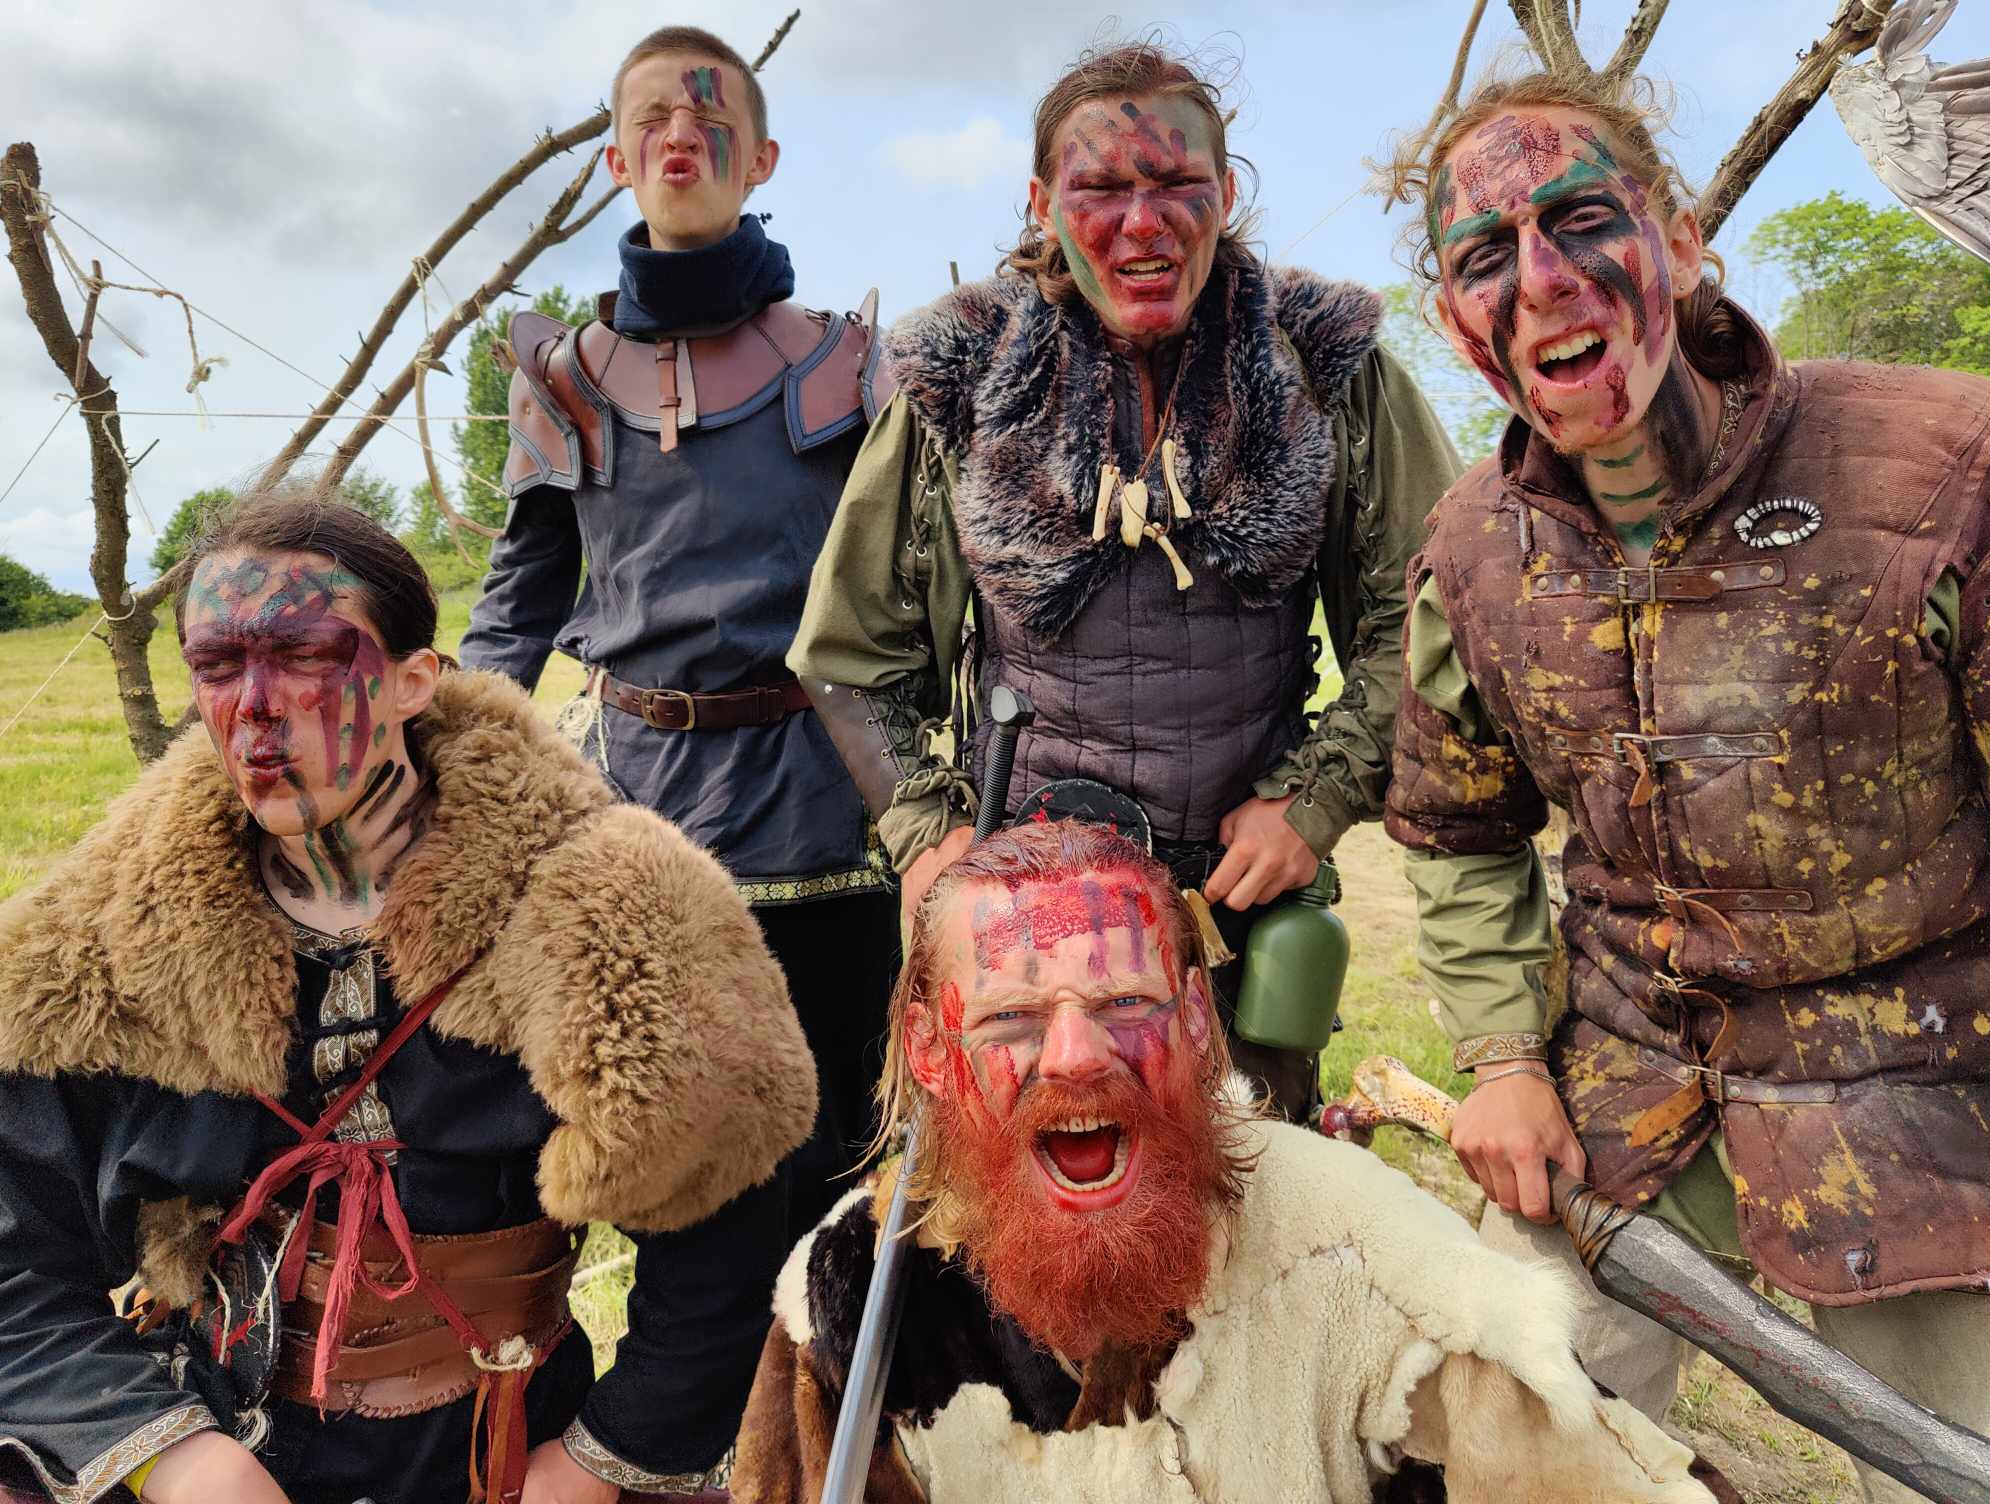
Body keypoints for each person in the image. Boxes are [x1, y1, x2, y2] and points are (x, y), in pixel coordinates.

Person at [1380, 63, 1990, 1503]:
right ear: (1454, 320)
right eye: (1484, 257)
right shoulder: (1470, 551)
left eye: (1581, 221)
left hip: (1923, 1091)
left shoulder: (1946, 467)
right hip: (1626, 1089)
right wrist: (1503, 1064)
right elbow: (1459, 832)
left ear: (1679, 236)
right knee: (1499, 1441)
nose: (1542, 280)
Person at [0, 489, 816, 1504]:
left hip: (506, 1443)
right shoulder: (105, 935)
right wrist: (179, 1459)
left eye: (305, 656)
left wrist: (598, 1458)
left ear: (412, 681)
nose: (254, 706)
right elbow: (14, 1263)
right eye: (217, 665)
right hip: (214, 1428)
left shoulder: (605, 908)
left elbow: (727, 1228)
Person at [789, 40, 1462, 1121]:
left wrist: (1314, 801)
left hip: (1239, 920)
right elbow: (848, 652)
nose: (1140, 224)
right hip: (1025, 927)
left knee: (1249, 1190)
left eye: (1175, 184)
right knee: (1024, 1198)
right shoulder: (959, 378)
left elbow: (1428, 615)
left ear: (1225, 192)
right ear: (1042, 203)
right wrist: (928, 836)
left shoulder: (1324, 365)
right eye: (1100, 189)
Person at [725, 819, 1712, 1503]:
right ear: (930, 1049)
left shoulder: (1362, 1249)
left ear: (1198, 1020)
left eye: (1125, 1004)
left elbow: (1605, 1474)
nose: (1074, 1056)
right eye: (1011, 1018)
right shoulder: (853, 1290)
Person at [456, 24, 904, 1488]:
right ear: (614, 159)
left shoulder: (845, 365)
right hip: (638, 832)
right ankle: (670, 1454)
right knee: (674, 1166)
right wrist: (442, 770)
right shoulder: (564, 377)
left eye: (709, 118)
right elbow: (519, 604)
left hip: (828, 820)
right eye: (650, 116)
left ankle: (821, 1453)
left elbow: (911, 596)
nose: (679, 134)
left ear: (761, 157)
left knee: (834, 1173)